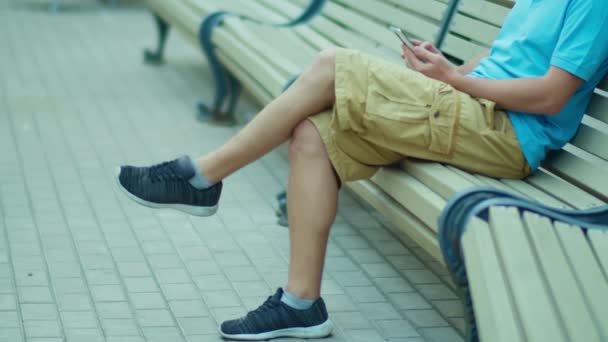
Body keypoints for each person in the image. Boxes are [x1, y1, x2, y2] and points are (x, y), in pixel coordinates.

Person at [116, 0, 608, 340]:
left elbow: (551, 93)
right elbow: (504, 59)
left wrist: (456, 81)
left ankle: (201, 176)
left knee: (331, 64)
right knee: (313, 135)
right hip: (472, 109)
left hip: (507, 134)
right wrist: (444, 68)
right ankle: (301, 303)